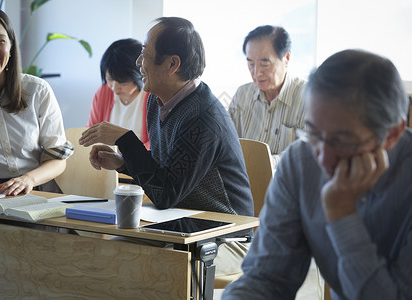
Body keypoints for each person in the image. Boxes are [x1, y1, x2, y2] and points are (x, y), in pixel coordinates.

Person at [222, 49, 412, 299]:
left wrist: (342, 215)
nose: (322, 156)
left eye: (342, 140)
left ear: (392, 134)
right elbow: (266, 278)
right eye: (313, 133)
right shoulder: (301, 161)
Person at [79, 17, 254, 276]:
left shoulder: (202, 118)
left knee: (141, 270)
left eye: (145, 55)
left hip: (224, 235)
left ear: (173, 64)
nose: (138, 63)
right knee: (104, 258)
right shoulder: (158, 101)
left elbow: (165, 194)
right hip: (181, 224)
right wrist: (122, 162)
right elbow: (166, 174)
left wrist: (126, 140)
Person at [0, 6, 73, 195]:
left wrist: (27, 179)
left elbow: (58, 160)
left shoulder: (37, 90)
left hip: (37, 188)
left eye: (0, 40)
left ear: (11, 48)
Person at [228, 25, 305, 167]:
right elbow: (227, 145)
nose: (257, 72)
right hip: (244, 182)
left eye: (265, 63)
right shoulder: (242, 95)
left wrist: (264, 163)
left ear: (286, 58)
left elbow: (308, 154)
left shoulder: (307, 98)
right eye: (251, 64)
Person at [88, 38, 150, 149]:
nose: (115, 87)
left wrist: (125, 155)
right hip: (105, 164)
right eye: (110, 79)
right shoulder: (104, 92)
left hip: (139, 164)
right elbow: (91, 134)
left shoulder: (152, 97)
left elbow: (156, 146)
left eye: (122, 81)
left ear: (138, 75)